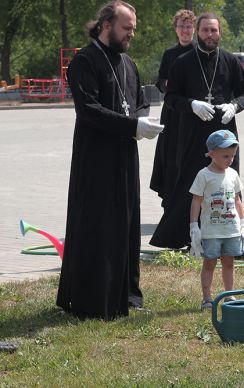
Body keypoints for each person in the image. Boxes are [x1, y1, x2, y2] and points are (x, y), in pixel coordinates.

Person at [57, 1, 164, 320]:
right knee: (98, 224)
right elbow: (88, 110)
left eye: (133, 28)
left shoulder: (128, 63)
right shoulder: (83, 62)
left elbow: (140, 102)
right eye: (126, 27)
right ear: (106, 25)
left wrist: (144, 121)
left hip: (125, 154)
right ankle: (92, 299)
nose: (131, 33)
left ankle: (126, 295)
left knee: (127, 220)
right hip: (96, 158)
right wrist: (132, 125)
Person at [150, 12, 244, 249]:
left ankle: (234, 236)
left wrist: (234, 105)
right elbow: (171, 97)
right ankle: (182, 236)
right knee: (189, 181)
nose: (209, 35)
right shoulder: (182, 62)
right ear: (198, 32)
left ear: (220, 33)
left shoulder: (229, 60)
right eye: (205, 30)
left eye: (213, 30)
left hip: (225, 130)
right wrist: (192, 105)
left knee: (227, 182)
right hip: (192, 131)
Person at [189, 129, 244, 310]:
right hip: (211, 231)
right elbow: (196, 200)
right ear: (212, 154)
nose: (230, 160)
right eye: (225, 156)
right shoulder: (204, 175)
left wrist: (243, 221)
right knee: (209, 262)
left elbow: (237, 199)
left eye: (232, 156)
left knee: (229, 262)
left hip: (231, 229)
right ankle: (207, 298)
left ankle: (229, 295)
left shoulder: (233, 174)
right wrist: (194, 225)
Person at [150, 9, 196, 208]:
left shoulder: (199, 52)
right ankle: (171, 203)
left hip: (194, 113)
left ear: (193, 29)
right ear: (175, 30)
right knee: (170, 156)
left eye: (188, 26)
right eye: (181, 26)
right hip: (171, 114)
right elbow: (160, 80)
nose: (185, 30)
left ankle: (192, 204)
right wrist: (167, 84)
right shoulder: (169, 54)